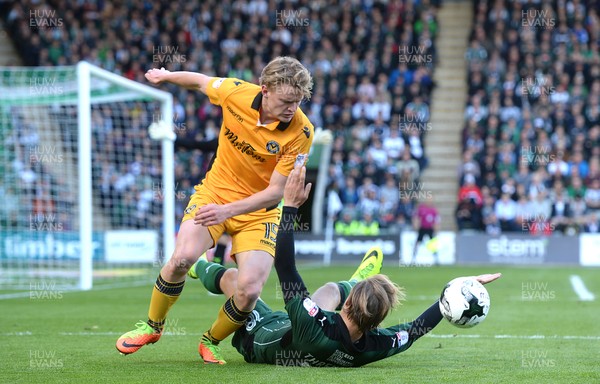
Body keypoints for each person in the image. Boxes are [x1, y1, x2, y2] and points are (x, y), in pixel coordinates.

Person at [188, 166, 502, 366]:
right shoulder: (372, 346)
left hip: (262, 336)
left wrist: (290, 207)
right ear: (377, 320)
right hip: (311, 330)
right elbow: (415, 330)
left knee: (237, 282)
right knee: (325, 291)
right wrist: (453, 297)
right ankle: (357, 280)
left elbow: (285, 265)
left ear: (350, 304)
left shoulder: (314, 326)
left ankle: (197, 266)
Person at [116, 56, 315, 365]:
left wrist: (229, 211)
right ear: (265, 89)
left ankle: (211, 340)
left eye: (298, 101)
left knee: (249, 291)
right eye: (287, 100)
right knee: (181, 259)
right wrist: (167, 76)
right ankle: (152, 326)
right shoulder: (235, 92)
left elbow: (275, 192)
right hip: (214, 194)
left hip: (260, 212)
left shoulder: (301, 133)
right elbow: (200, 81)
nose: (293, 108)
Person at [411, 198, 440, 265]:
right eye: (428, 201)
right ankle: (413, 258)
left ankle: (436, 259)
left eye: (430, 201)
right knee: (418, 243)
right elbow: (416, 217)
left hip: (430, 229)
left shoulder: (433, 210)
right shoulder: (421, 209)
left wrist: (437, 229)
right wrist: (416, 225)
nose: (429, 202)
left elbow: (436, 221)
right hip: (422, 228)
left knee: (433, 244)